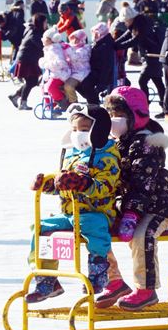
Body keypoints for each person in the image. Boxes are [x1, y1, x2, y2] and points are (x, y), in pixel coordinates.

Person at [94, 86, 168, 311]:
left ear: (136, 116)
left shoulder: (147, 142)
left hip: (156, 207)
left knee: (142, 235)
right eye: (110, 115)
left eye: (119, 116)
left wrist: (132, 213)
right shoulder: (114, 143)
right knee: (95, 228)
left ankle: (146, 289)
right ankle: (114, 281)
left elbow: (144, 184)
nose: (113, 121)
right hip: (128, 206)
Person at [26, 103, 119, 302]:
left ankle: (98, 271)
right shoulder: (71, 153)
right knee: (40, 227)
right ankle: (47, 279)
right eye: (75, 130)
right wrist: (48, 185)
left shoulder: (107, 155)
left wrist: (82, 183)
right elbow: (63, 185)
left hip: (98, 213)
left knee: (89, 224)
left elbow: (106, 186)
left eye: (84, 130)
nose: (78, 135)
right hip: (71, 213)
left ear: (98, 130)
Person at [115, 14, 166, 116]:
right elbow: (125, 36)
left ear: (131, 19)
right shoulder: (135, 27)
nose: (125, 23)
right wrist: (115, 43)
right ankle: (164, 108)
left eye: (126, 21)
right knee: (158, 82)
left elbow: (133, 41)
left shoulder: (141, 28)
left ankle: (147, 106)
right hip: (151, 57)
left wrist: (117, 46)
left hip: (152, 57)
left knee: (143, 81)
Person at [8, 13, 47, 110]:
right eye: (45, 22)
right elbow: (42, 45)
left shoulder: (34, 30)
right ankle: (22, 102)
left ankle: (16, 96)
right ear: (40, 23)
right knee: (31, 81)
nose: (46, 24)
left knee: (32, 81)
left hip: (29, 59)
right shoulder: (34, 32)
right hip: (26, 60)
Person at [77, 22, 116, 105]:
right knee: (78, 83)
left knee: (84, 84)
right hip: (95, 72)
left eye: (95, 33)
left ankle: (94, 103)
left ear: (101, 33)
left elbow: (106, 67)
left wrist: (101, 84)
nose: (94, 35)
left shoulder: (105, 45)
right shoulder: (100, 42)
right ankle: (93, 100)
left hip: (102, 75)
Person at [38, 26, 70, 110]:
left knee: (50, 87)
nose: (42, 39)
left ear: (51, 39)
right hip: (52, 73)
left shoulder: (55, 49)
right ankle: (50, 105)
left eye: (44, 38)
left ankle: (62, 102)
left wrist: (46, 64)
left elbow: (60, 62)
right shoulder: (48, 48)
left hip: (60, 73)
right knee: (43, 86)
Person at [63, 29, 91, 105]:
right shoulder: (72, 47)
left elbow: (75, 57)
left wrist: (67, 48)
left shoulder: (85, 48)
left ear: (82, 39)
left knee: (68, 86)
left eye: (77, 38)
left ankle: (74, 104)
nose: (74, 40)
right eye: (73, 38)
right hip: (72, 72)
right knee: (58, 83)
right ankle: (63, 102)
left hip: (81, 73)